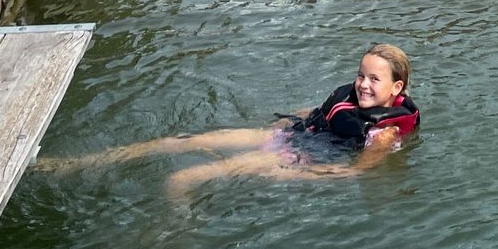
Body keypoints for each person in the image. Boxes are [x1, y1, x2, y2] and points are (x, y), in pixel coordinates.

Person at [45, 45, 419, 193]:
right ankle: (79, 163)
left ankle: (175, 231)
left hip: (299, 158)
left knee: (182, 177)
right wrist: (282, 127)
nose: (363, 84)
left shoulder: (384, 133)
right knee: (181, 141)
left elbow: (357, 172)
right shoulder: (352, 95)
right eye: (361, 74)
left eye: (374, 79)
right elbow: (323, 114)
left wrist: (296, 174)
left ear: (396, 86)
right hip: (291, 138)